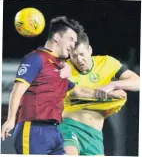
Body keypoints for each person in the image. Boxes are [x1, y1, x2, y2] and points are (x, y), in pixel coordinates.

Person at [1, 16, 84, 155]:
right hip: (33, 130)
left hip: (55, 132)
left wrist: (107, 91)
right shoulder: (36, 58)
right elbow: (17, 90)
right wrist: (11, 119)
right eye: (71, 39)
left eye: (75, 42)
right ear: (57, 37)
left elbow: (79, 92)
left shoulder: (60, 68)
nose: (73, 45)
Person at [58, 32, 140, 155]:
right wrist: (109, 94)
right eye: (74, 56)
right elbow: (75, 92)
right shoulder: (66, 69)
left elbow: (138, 82)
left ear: (89, 50)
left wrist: (112, 85)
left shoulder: (107, 63)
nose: (79, 60)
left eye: (81, 54)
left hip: (94, 135)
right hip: (69, 127)